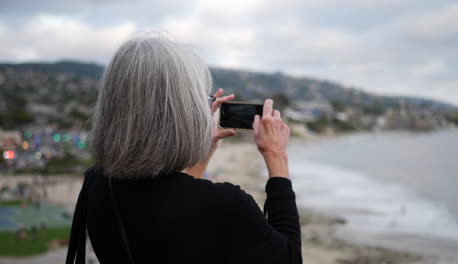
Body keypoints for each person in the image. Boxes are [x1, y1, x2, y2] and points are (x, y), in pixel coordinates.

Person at [66, 36, 301, 264]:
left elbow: (173, 215)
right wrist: (275, 155)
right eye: (204, 100)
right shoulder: (227, 205)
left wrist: (201, 153)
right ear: (185, 114)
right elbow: (289, 257)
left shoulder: (97, 184)